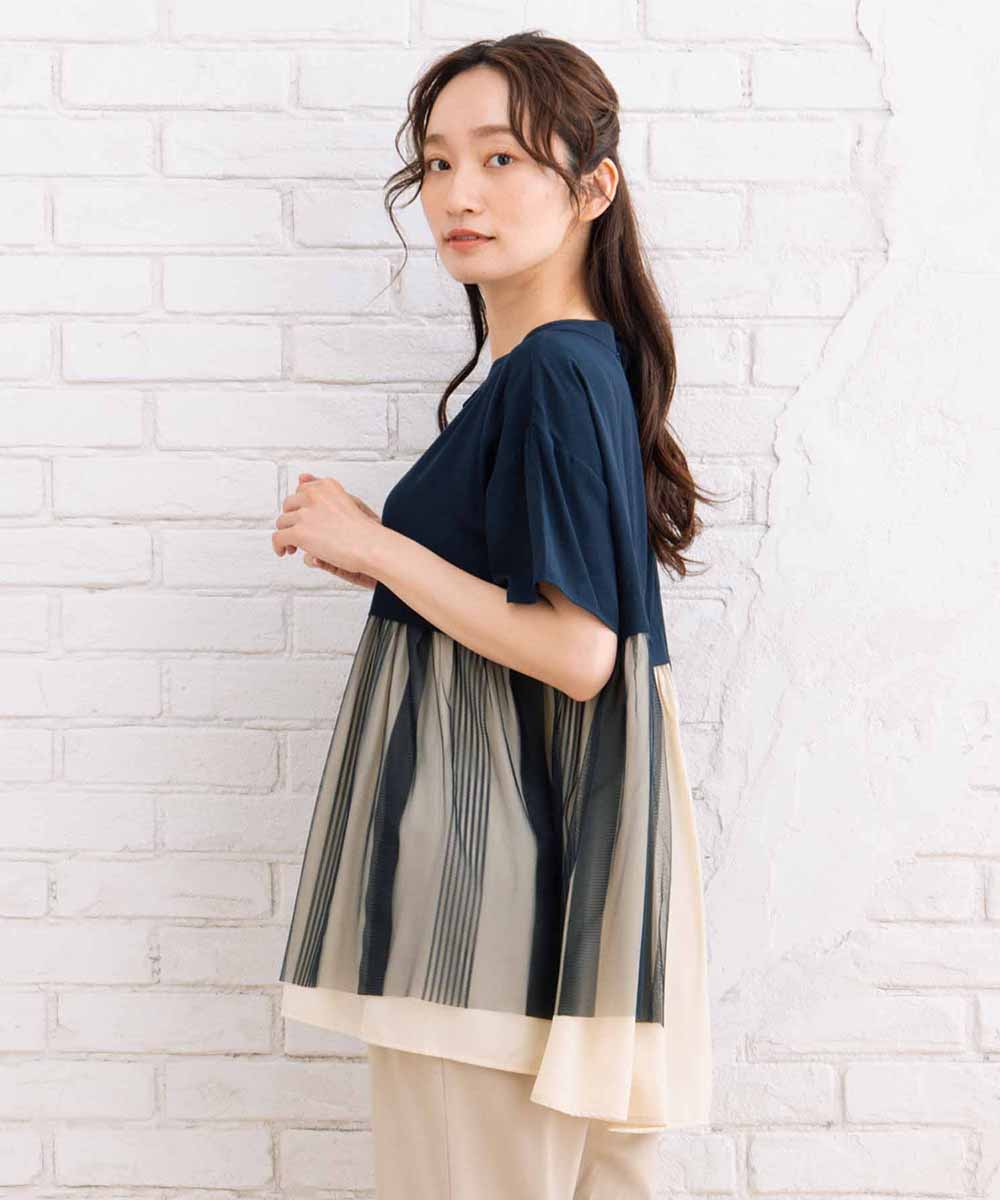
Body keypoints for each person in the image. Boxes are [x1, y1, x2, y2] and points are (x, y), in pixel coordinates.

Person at [271, 30, 719, 1200]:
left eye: (501, 157)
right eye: (436, 163)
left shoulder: (552, 374)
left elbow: (577, 652)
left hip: (492, 902)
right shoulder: (570, 369)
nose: (458, 194)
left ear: (592, 187)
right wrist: (396, 562)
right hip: (550, 904)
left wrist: (377, 545)